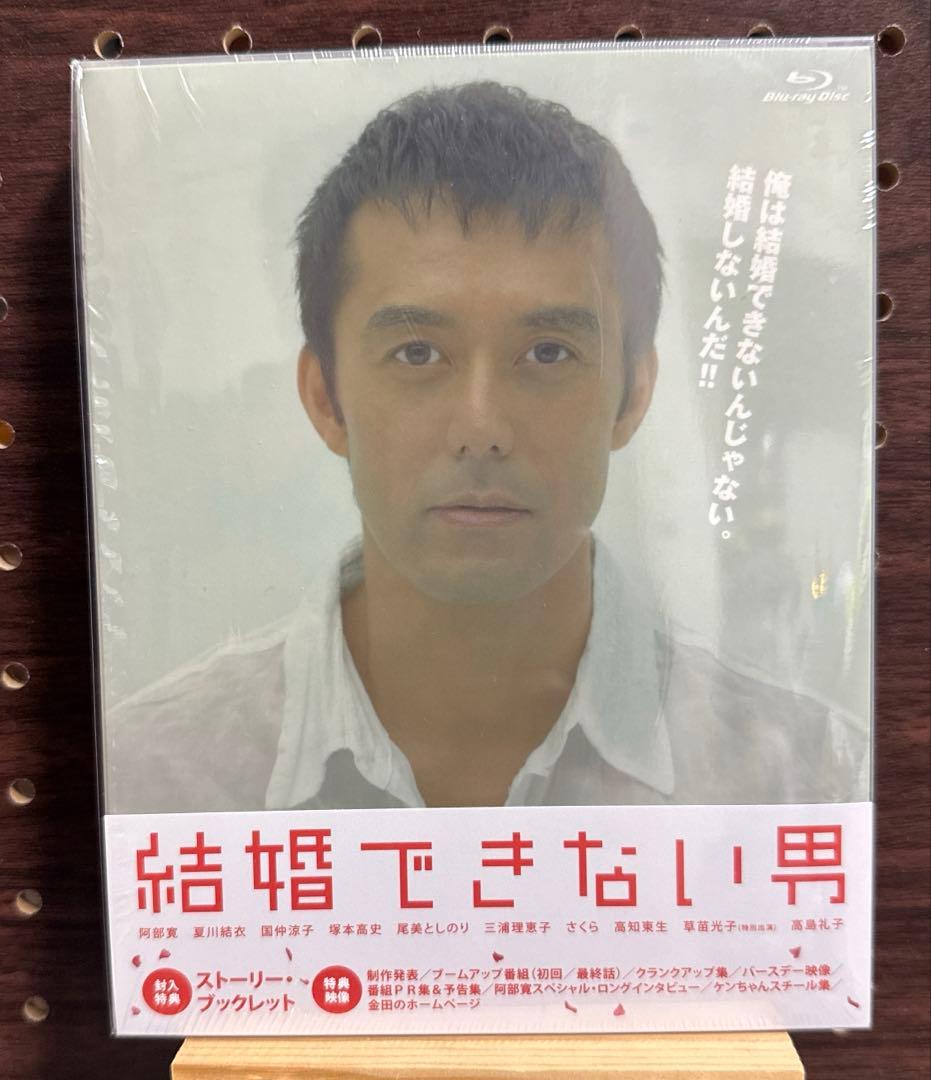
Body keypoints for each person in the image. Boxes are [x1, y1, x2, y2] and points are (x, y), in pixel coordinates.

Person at [107, 82, 868, 814]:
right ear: (325, 398)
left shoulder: (808, 781)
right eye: (416, 353)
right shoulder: (150, 779)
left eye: (547, 353)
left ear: (633, 394)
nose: (481, 428)